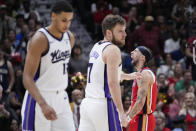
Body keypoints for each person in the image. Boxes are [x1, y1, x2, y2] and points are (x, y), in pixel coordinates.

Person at [78, 14, 141, 131]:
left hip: (87, 105)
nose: (125, 34)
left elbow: (103, 74)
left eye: (125, 31)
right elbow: (112, 83)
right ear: (109, 33)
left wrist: (127, 76)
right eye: (120, 31)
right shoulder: (113, 50)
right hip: (102, 106)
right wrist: (121, 112)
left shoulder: (97, 46)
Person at [21, 1, 75, 131]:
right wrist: (43, 104)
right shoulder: (40, 39)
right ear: (53, 16)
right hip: (39, 97)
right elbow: (27, 78)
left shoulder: (70, 37)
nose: (67, 24)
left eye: (69, 20)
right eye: (63, 20)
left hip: (61, 97)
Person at [126, 46, 157, 131]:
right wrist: (127, 114)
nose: (131, 52)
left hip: (143, 118)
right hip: (136, 116)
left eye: (135, 51)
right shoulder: (139, 73)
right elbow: (135, 100)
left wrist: (127, 119)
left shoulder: (145, 74)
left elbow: (140, 102)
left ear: (143, 57)